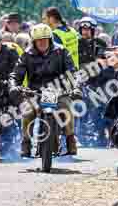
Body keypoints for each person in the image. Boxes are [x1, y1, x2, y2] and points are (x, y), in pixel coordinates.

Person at [9, 23, 81, 157]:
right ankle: (26, 143)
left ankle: (71, 139)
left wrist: (76, 87)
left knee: (67, 107)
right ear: (33, 41)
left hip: (58, 91)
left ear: (50, 39)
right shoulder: (26, 54)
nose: (42, 43)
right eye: (38, 40)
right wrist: (13, 86)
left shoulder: (62, 51)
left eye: (45, 39)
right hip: (35, 92)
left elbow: (73, 73)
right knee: (27, 111)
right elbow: (16, 74)